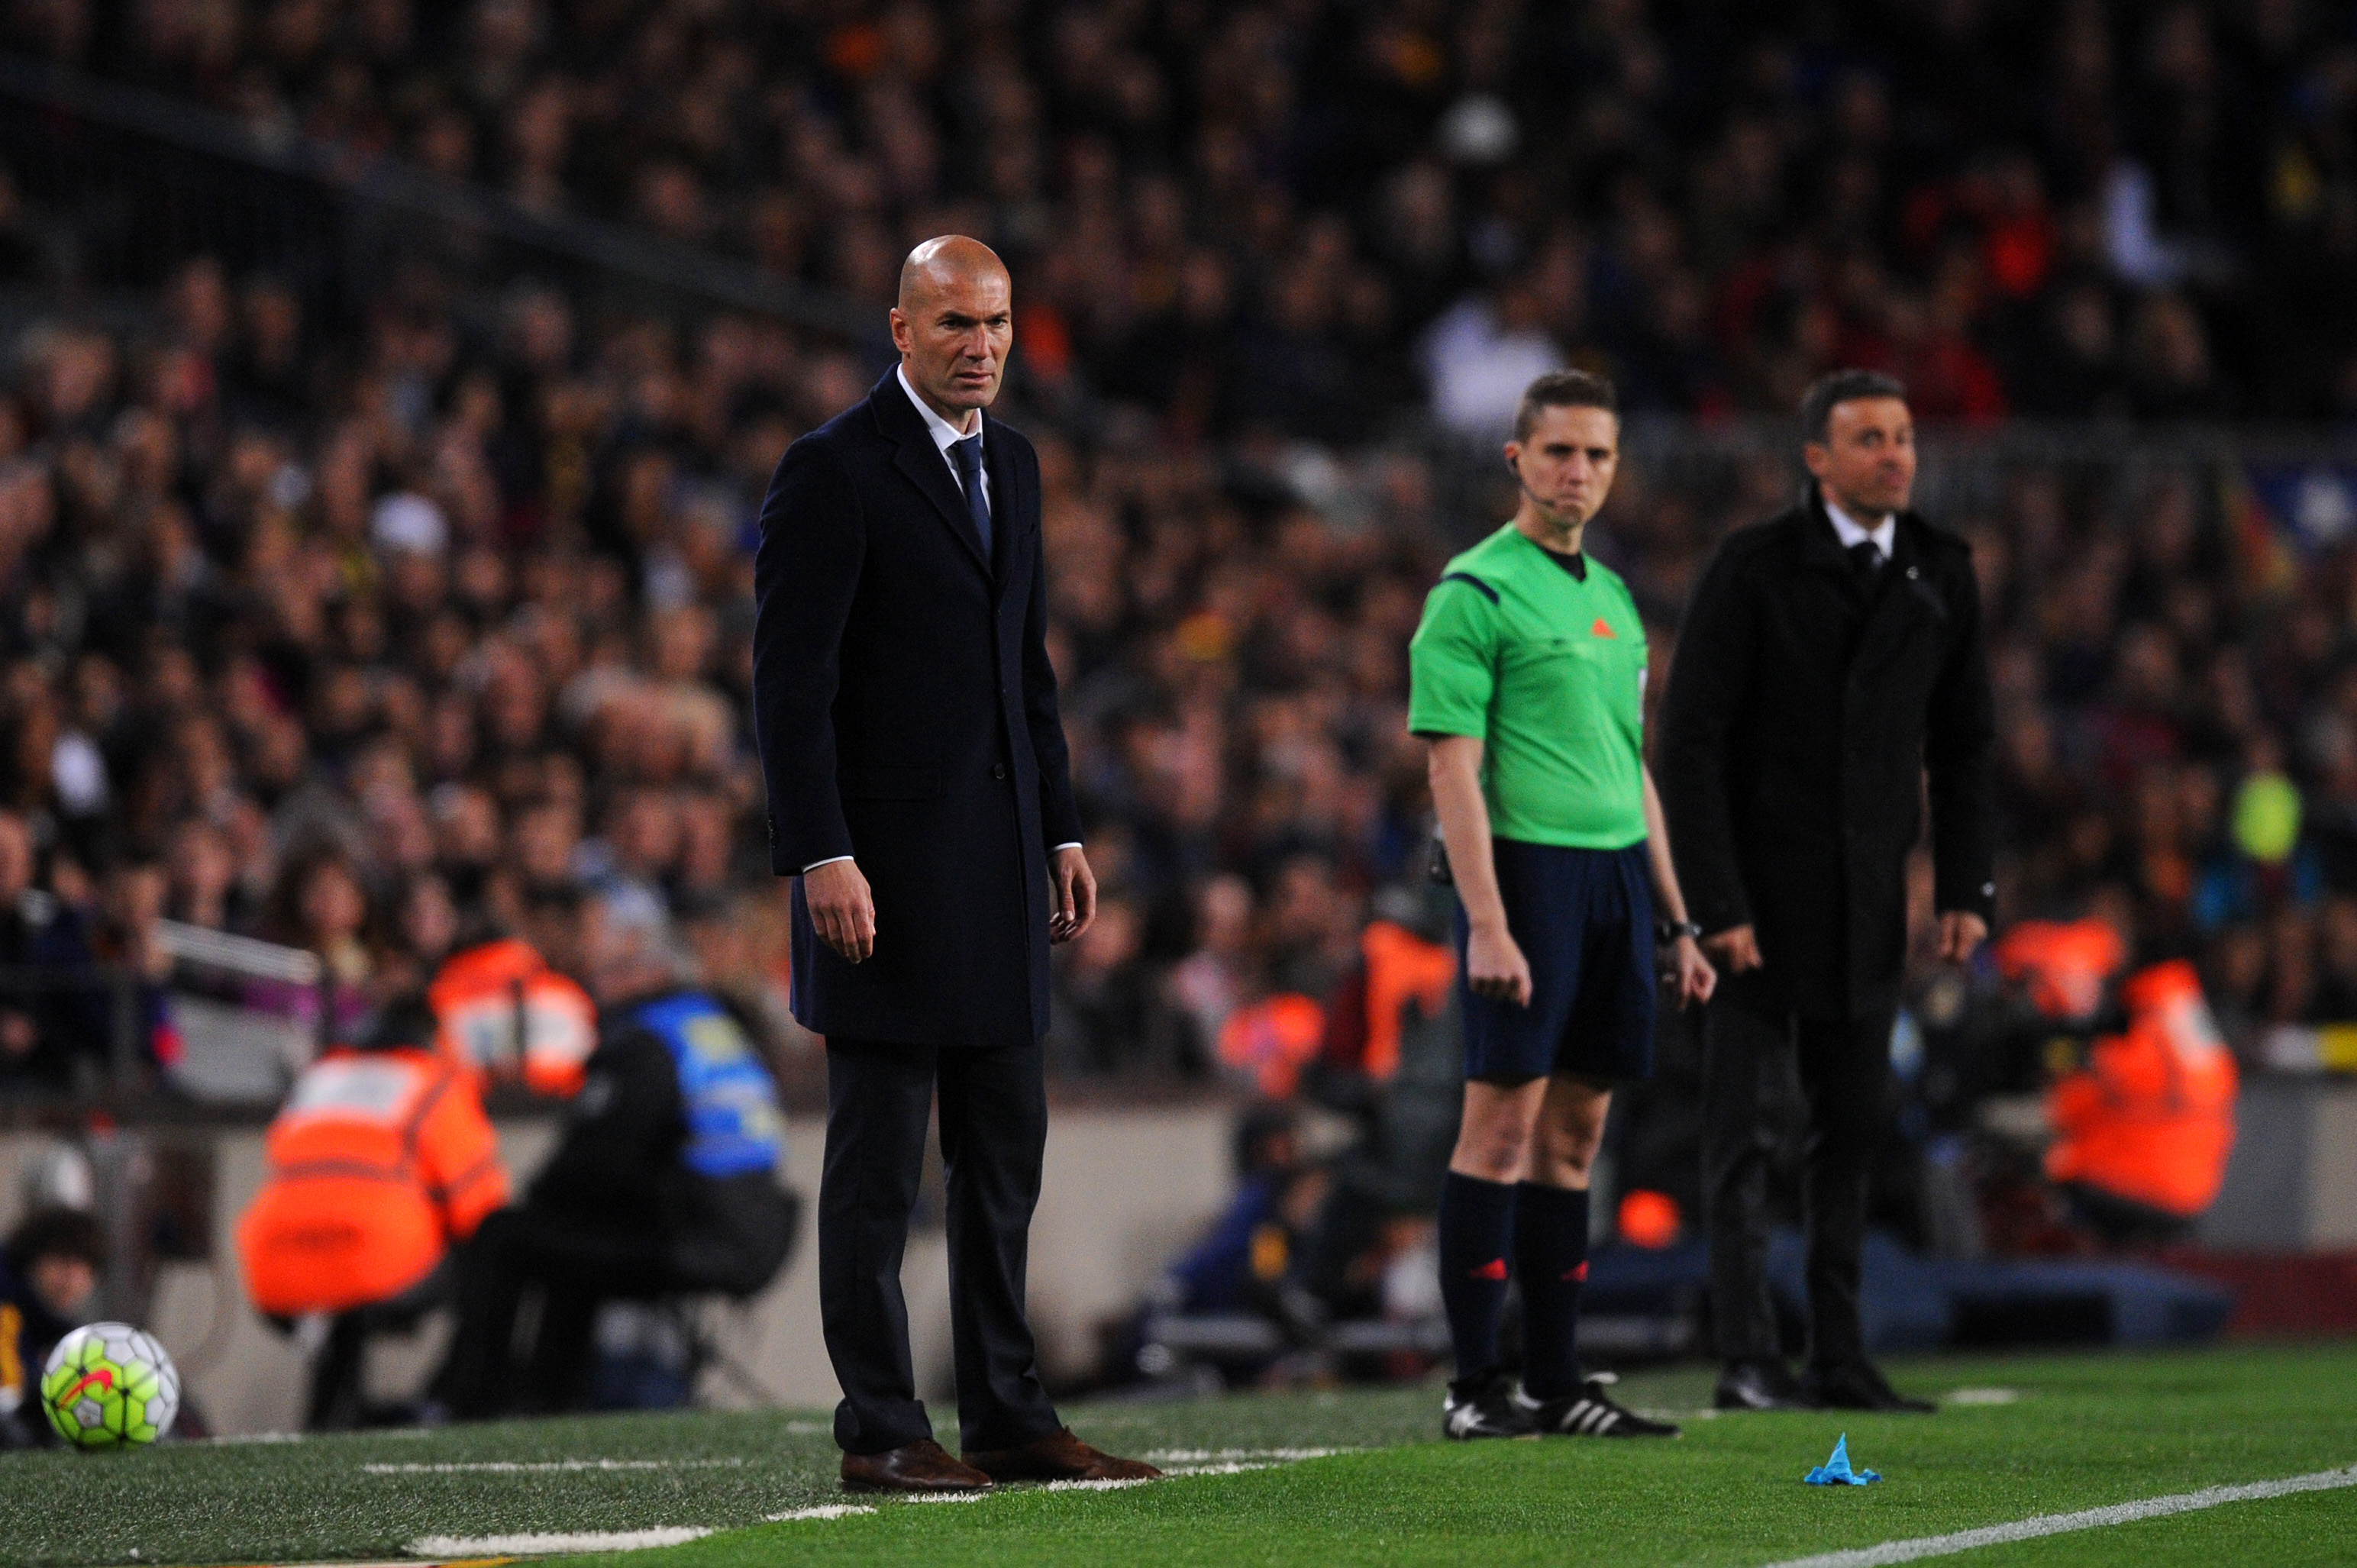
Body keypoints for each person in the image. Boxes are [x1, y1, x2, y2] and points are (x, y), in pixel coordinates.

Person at [751, 236, 1157, 1493]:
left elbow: (1022, 669)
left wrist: (1063, 826)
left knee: (1003, 1158)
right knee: (878, 1167)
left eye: (995, 323)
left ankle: (1007, 1414)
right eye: (953, 324)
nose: (979, 345)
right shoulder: (831, 471)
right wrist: (820, 848)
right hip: (876, 877)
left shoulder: (1016, 466)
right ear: (898, 329)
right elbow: (789, 685)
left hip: (995, 870)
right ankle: (880, 1423)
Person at [1657, 369, 1997, 1414]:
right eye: (1867, 438)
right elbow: (1689, 743)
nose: (1894, 454)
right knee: (1740, 1140)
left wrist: (1961, 882)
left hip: (1864, 905)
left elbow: (1964, 742)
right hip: (1753, 909)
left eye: (1901, 435)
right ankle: (1748, 1356)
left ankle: (1838, 1357)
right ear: (1814, 458)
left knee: (1848, 1137)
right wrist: (1714, 906)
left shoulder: (1939, 570)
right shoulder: (1752, 568)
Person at [1406, 369, 1715, 1441]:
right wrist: (1487, 921)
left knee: (1576, 1137)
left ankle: (1554, 1379)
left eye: (1595, 454)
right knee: (1496, 1129)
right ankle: (1472, 1386)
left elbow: (1632, 769)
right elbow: (1451, 773)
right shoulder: (1471, 592)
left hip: (1617, 880)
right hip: (1526, 878)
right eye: (1557, 452)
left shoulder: (1615, 598)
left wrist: (1674, 919)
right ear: (1516, 459)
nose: (1575, 470)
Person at [430, 903, 796, 1419]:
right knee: (576, 1242)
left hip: (688, 1237)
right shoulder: (714, 1028)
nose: (601, 985)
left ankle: (474, 1399)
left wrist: (539, 1200)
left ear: (656, 973)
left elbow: (593, 1162)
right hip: (749, 1232)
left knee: (508, 1234)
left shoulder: (647, 1039)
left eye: (617, 971)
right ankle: (552, 1391)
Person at [236, 999, 508, 1429]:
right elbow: (482, 1206)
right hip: (372, 1267)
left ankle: (335, 1412)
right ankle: (457, 1400)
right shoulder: (431, 1080)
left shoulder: (320, 1078)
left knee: (341, 1314)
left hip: (273, 1272)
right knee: (497, 1247)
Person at [1, 1205, 104, 1447]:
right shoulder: (7, 1307)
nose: (73, 1281)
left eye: (85, 1270)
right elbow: (8, 1400)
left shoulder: (48, 1325)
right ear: (32, 1259)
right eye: (64, 1263)